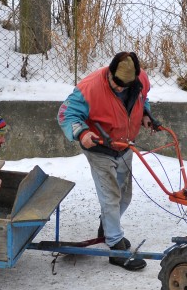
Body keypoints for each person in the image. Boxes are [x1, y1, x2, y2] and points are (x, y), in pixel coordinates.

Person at [57, 52, 155, 271]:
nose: (120, 89)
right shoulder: (90, 87)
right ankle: (115, 247)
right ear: (110, 72)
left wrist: (146, 114)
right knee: (110, 196)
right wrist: (81, 133)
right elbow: (66, 114)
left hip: (125, 145)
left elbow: (143, 98)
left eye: (125, 86)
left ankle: (108, 228)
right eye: (116, 84)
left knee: (124, 196)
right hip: (99, 148)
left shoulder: (140, 80)